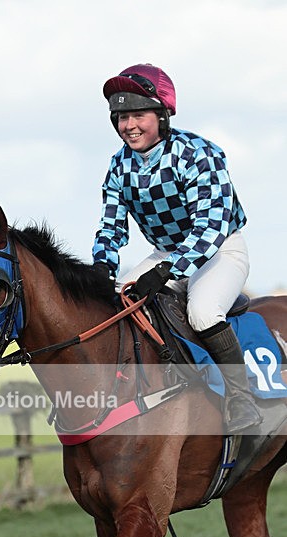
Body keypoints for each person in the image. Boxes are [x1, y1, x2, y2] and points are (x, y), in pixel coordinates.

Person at [93, 63, 262, 433]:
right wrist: (101, 270)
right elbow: (111, 226)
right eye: (121, 117)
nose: (129, 125)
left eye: (139, 115)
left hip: (220, 251)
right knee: (113, 305)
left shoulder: (200, 153)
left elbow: (211, 225)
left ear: (163, 115)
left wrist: (170, 270)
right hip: (165, 253)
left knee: (202, 312)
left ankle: (240, 397)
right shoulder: (118, 166)